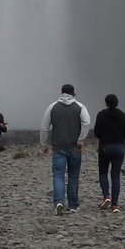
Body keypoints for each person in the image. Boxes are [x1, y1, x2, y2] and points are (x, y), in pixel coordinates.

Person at [40, 83, 91, 215]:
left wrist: (44, 144)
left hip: (58, 147)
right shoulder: (80, 107)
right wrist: (81, 140)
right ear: (72, 93)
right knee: (73, 175)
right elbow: (87, 122)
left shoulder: (52, 107)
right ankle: (73, 205)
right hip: (74, 146)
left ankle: (59, 202)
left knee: (58, 175)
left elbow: (45, 127)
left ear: (61, 93)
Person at [94, 93, 125, 213]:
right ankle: (115, 205)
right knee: (115, 175)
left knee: (103, 173)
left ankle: (106, 196)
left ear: (106, 103)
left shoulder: (101, 115)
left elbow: (96, 132)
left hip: (105, 146)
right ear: (117, 103)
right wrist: (120, 137)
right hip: (119, 146)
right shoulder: (123, 116)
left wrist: (104, 136)